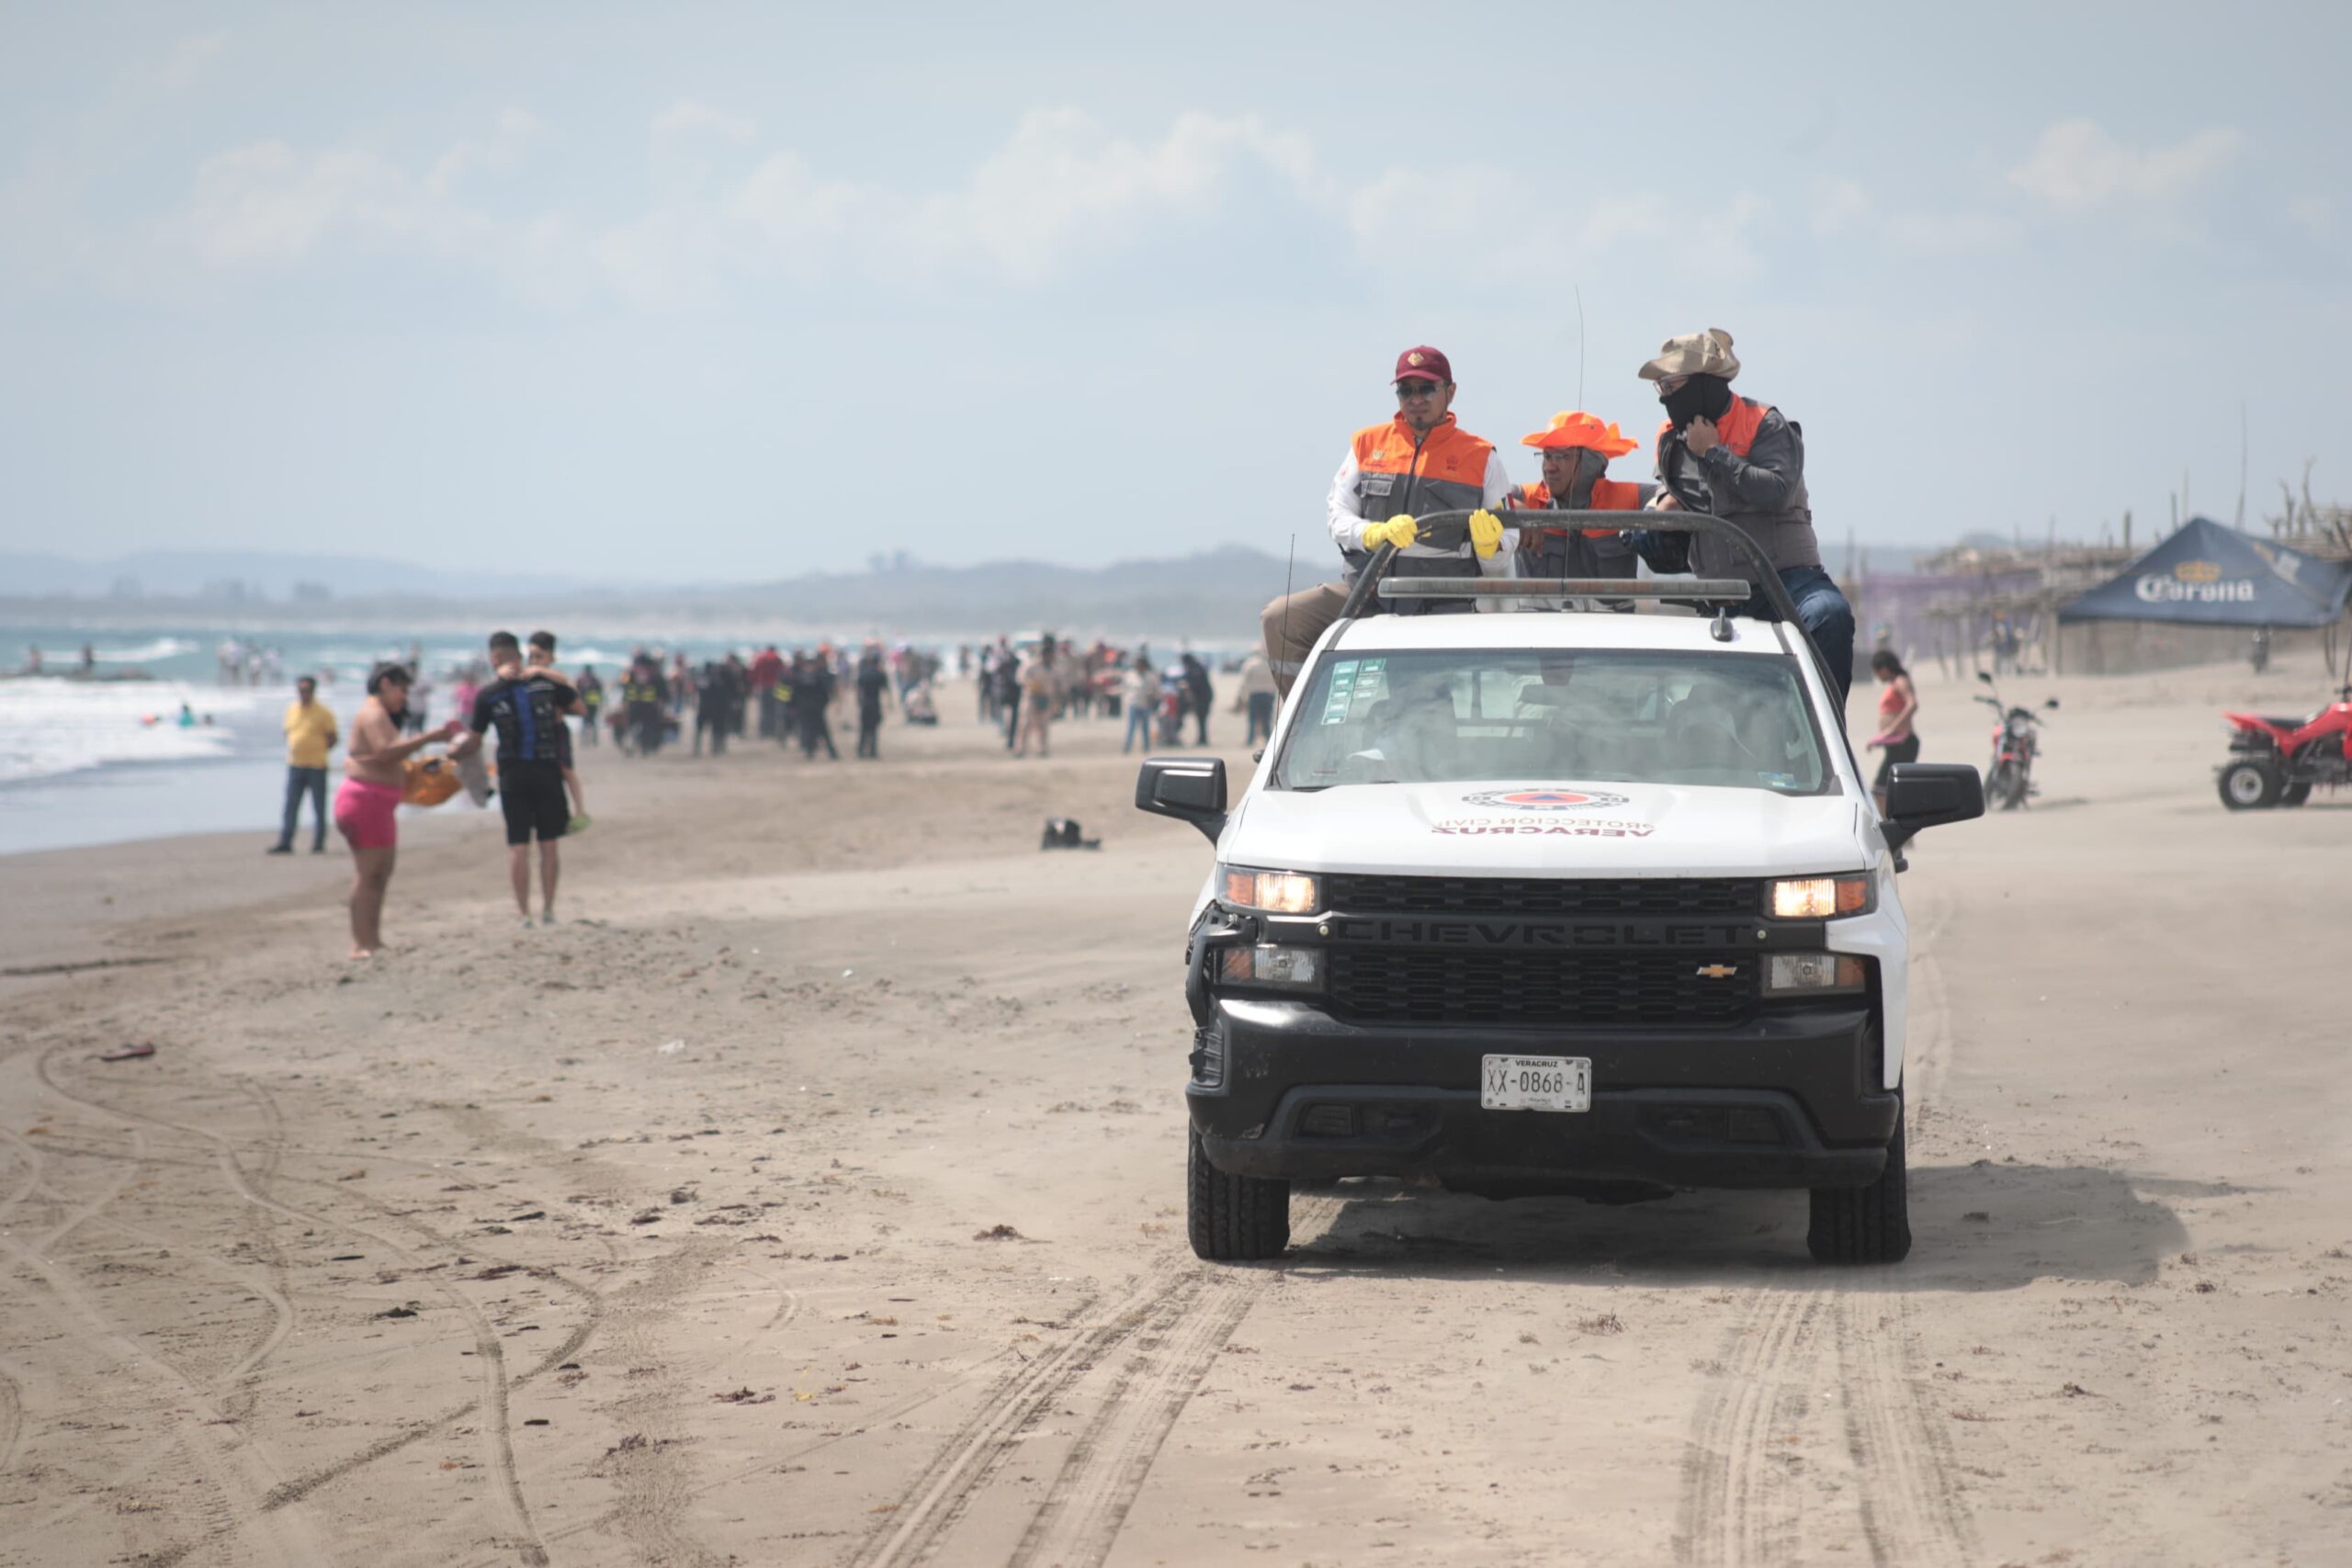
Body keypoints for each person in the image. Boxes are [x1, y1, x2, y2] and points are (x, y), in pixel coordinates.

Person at [1258, 345, 1516, 694]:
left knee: (1421, 706)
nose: (1416, 399)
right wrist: (1372, 533)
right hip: (1366, 592)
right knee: (1281, 618)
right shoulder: (1367, 444)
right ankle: (1307, 711)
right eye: (1406, 390)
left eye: (1427, 389)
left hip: (1439, 604)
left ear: (1450, 392)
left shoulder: (1481, 456)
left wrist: (1490, 548)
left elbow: (1506, 545)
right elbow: (1337, 515)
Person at [1640, 327, 1857, 705]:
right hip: (1720, 596)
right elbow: (1671, 499)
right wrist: (1657, 522)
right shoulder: (1669, 439)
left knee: (1829, 615)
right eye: (1662, 388)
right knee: (1695, 712)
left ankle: (1820, 725)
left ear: (1704, 384)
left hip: (1786, 583)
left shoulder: (1764, 423)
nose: (1665, 398)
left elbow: (1775, 491)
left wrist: (1713, 453)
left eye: (1673, 386)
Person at [451, 631, 582, 927]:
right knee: (549, 844)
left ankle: (524, 915)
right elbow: (578, 706)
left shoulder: (489, 694)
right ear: (519, 655)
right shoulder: (544, 683)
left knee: (518, 845)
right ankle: (548, 910)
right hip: (547, 771)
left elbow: (474, 741)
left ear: (495, 657)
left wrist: (451, 753)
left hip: (513, 776)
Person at [335, 663, 462, 958]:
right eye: (402, 690)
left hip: (378, 802)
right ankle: (361, 942)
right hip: (364, 800)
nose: (404, 697)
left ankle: (372, 939)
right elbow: (384, 752)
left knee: (381, 872)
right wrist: (429, 737)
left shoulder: (380, 713)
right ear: (385, 683)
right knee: (369, 873)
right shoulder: (373, 712)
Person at [1508, 412, 1650, 599]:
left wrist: (1659, 506)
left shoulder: (1627, 498)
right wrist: (1514, 507)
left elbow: (1670, 499)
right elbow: (1489, 497)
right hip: (1539, 619)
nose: (1549, 467)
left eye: (1561, 456)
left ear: (1590, 463)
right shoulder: (1527, 497)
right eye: (1547, 456)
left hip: (1611, 619)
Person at [525, 632, 591, 829]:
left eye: (539, 656)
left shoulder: (555, 679)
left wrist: (560, 709)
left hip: (556, 729)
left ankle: (580, 810)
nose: (534, 661)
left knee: (566, 770)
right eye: (532, 656)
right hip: (534, 732)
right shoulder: (526, 678)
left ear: (551, 657)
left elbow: (578, 705)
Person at [268, 675, 339, 854]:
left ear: (313, 691)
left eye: (307, 690)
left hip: (317, 765)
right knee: (291, 805)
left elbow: (333, 738)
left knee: (318, 806)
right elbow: (287, 732)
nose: (304, 693)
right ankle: (286, 841)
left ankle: (318, 843)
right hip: (295, 763)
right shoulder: (291, 709)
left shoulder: (323, 712)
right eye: (301, 690)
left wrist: (318, 749)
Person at [1864, 650, 1920, 814]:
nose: (1876, 676)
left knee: (1881, 788)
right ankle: (1894, 822)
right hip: (1896, 744)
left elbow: (1912, 704)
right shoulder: (1894, 683)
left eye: (1877, 671)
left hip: (1904, 743)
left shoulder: (1900, 681)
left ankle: (1892, 823)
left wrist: (1891, 729)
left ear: (1884, 668)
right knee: (1890, 788)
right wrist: (1880, 739)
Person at [1015, 636, 1063, 757]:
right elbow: (1021, 678)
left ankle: (1042, 749)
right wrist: (1031, 684)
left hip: (1046, 698)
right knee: (1026, 724)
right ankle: (1021, 749)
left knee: (1043, 725)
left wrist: (1057, 700)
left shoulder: (1053, 668)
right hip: (1031, 698)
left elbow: (1057, 684)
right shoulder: (1031, 665)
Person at [1233, 649, 1278, 747]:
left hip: (1254, 694)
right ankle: (1268, 738)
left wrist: (1243, 696)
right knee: (1267, 718)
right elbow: (1276, 681)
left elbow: (1245, 682)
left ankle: (1250, 739)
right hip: (1268, 694)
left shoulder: (1250, 665)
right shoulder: (1271, 665)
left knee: (1252, 719)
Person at [1121, 649, 1161, 754]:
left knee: (1145, 727)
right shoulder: (1130, 675)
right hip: (1133, 703)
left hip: (1146, 704)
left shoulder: (1151, 676)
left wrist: (1156, 700)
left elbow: (1157, 690)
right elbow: (1124, 689)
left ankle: (1146, 747)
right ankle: (1127, 746)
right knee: (1131, 727)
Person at [854, 646, 892, 759]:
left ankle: (861, 750)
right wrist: (890, 704)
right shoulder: (880, 675)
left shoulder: (864, 673)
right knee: (874, 728)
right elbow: (886, 690)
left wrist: (859, 701)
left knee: (864, 728)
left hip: (865, 702)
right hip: (874, 702)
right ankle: (872, 750)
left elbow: (858, 688)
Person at [1181, 652, 1214, 746]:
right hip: (1202, 698)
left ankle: (1203, 739)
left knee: (1202, 719)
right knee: (1201, 719)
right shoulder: (1195, 668)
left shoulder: (1196, 669)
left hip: (1203, 698)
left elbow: (1196, 685)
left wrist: (1187, 686)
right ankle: (1202, 738)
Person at [576, 665, 605, 746]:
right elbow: (600, 692)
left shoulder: (581, 680)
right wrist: (601, 702)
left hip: (587, 704)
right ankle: (593, 740)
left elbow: (576, 691)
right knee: (592, 722)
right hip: (592, 704)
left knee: (586, 722)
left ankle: (587, 740)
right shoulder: (595, 680)